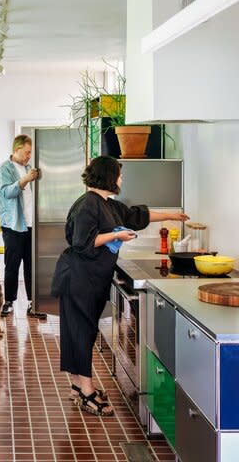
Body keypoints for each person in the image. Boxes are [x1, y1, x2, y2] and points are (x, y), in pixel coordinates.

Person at [51, 155, 189, 417]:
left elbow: (137, 215)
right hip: (79, 278)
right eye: (119, 174)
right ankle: (88, 392)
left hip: (89, 278)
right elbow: (84, 241)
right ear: (108, 176)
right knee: (80, 334)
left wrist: (172, 215)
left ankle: (77, 387)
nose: (121, 179)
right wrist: (116, 234)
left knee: (80, 332)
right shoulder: (87, 205)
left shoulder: (108, 204)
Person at [0, 134, 47, 319]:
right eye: (26, 153)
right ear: (16, 149)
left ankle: (34, 303)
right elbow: (7, 192)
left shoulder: (27, 168)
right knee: (12, 265)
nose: (28, 156)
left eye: (30, 153)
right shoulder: (3, 169)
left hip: (31, 225)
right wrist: (25, 179)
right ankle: (9, 301)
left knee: (31, 265)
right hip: (13, 226)